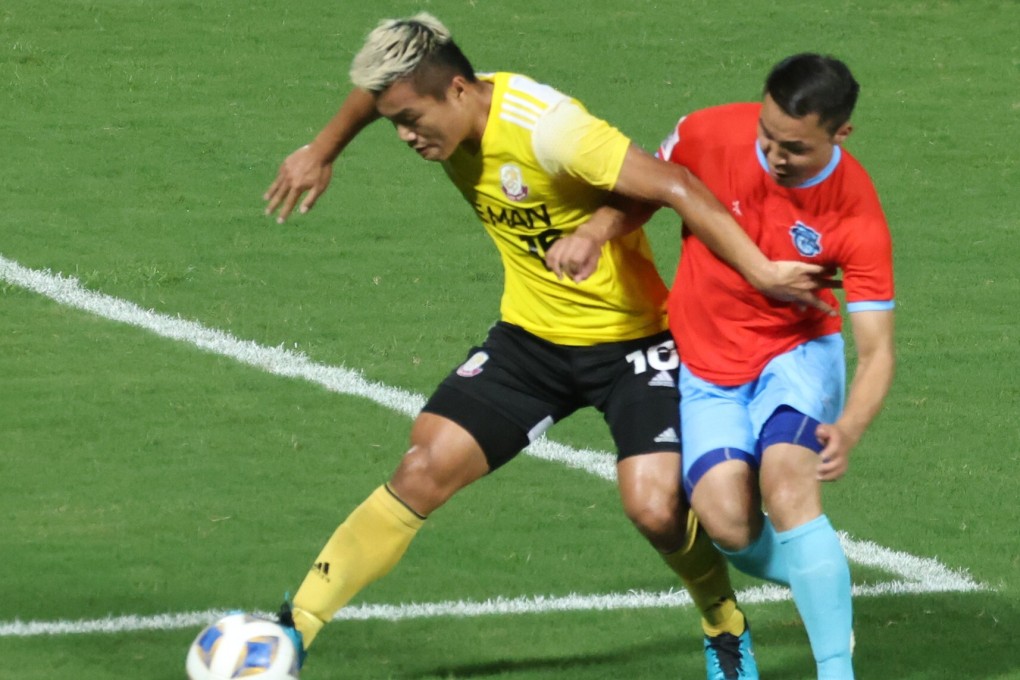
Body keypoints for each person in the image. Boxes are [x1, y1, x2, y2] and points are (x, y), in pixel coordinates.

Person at [263, 14, 831, 679]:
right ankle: (289, 631)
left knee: (654, 508)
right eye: (395, 122)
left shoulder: (549, 129)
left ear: (454, 89)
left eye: (412, 119)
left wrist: (742, 268)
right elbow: (376, 92)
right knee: (422, 467)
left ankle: (721, 619)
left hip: (634, 343)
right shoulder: (429, 98)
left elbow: (671, 185)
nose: (405, 136)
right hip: (531, 339)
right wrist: (323, 148)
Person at [556, 54, 894, 679]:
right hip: (708, 367)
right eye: (766, 132)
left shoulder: (856, 212)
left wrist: (849, 426)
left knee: (788, 488)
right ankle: (825, 584)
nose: (771, 152)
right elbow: (647, 193)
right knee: (729, 526)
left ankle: (835, 670)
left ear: (840, 134)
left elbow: (877, 349)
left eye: (793, 145)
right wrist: (595, 232)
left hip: (794, 356)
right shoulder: (707, 132)